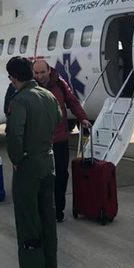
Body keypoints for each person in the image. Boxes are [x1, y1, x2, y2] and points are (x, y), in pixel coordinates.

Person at [6, 57, 62, 268]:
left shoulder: (20, 100)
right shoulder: (48, 95)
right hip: (48, 163)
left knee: (29, 223)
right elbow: (59, 118)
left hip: (28, 167)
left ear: (13, 78)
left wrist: (17, 160)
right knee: (48, 222)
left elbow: (14, 135)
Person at [32, 59, 91, 222]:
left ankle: (58, 210)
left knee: (61, 175)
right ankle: (43, 209)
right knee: (42, 177)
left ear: (49, 70)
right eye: (36, 73)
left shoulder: (60, 84)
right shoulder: (31, 87)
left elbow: (72, 101)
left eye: (42, 72)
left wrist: (83, 118)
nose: (39, 76)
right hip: (40, 141)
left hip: (59, 139)